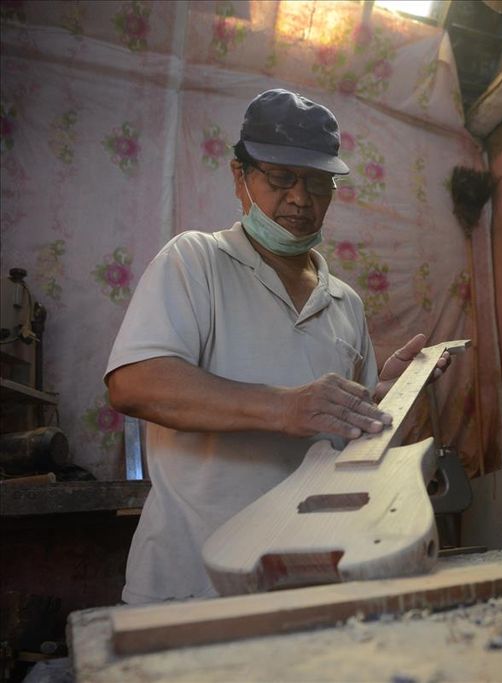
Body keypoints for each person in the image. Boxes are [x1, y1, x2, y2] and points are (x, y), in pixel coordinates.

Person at [105, 89, 450, 604]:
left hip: (312, 575)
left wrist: (383, 394)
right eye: (281, 178)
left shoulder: (345, 302)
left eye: (317, 182)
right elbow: (135, 383)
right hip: (193, 582)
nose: (300, 198)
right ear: (239, 177)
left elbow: (341, 435)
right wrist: (284, 406)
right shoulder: (196, 261)